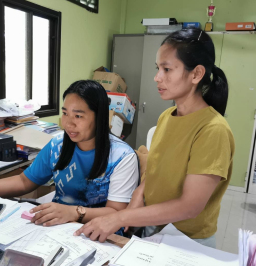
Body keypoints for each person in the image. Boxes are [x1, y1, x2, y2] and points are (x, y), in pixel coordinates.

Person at [75, 28, 235, 248]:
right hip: (154, 228)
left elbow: (190, 206)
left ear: (196, 74)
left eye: (167, 69)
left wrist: (120, 218)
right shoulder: (166, 117)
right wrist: (138, 196)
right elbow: (155, 170)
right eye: (158, 68)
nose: (157, 77)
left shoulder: (213, 130)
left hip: (189, 242)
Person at [0, 80, 139, 227]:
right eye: (65, 113)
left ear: (100, 117)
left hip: (99, 232)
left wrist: (74, 213)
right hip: (56, 226)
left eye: (78, 116)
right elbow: (24, 182)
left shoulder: (122, 156)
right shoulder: (59, 143)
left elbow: (117, 213)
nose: (68, 123)